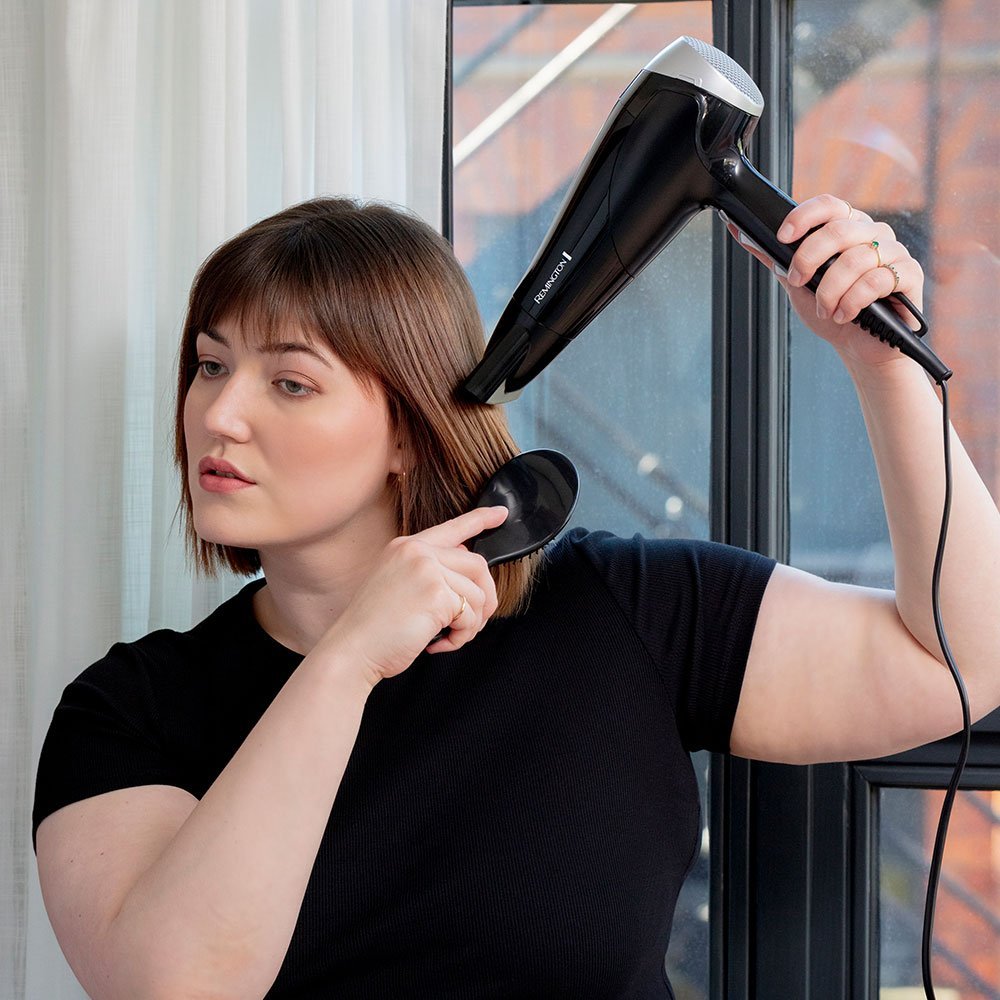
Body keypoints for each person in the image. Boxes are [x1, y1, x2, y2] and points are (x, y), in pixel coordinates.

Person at [32, 194, 1000, 999]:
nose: (219, 413)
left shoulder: (620, 609)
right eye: (210, 365)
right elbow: (179, 983)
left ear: (408, 429)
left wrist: (886, 372)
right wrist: (347, 661)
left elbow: (958, 661)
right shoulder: (128, 712)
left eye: (289, 382)